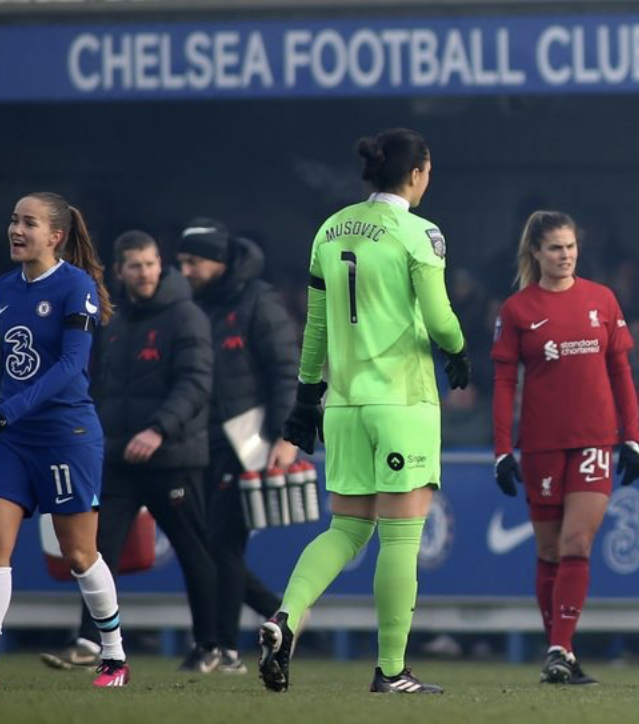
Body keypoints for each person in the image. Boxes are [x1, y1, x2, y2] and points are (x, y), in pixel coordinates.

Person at [260, 127, 469, 695]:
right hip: (401, 402)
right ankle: (392, 671)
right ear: (418, 173)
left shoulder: (330, 229)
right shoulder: (420, 233)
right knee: (400, 539)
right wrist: (458, 352)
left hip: (343, 404)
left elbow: (317, 329)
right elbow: (441, 314)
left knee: (346, 528)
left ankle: (285, 619)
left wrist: (306, 398)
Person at [47, 231, 221, 672]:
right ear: (120, 271)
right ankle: (91, 642)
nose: (144, 273)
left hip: (173, 459)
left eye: (150, 263)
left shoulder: (187, 316)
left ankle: (209, 645)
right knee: (95, 550)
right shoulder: (114, 320)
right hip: (118, 456)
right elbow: (99, 385)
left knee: (193, 551)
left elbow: (196, 384)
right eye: (135, 266)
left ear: (160, 264)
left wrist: (159, 431)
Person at [490, 210, 639, 685]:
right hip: (540, 445)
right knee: (550, 550)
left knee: (578, 542)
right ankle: (563, 653)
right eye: (556, 247)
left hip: (596, 439)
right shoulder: (517, 309)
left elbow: (620, 372)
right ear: (535, 252)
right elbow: (502, 383)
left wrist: (633, 436)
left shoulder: (602, 299)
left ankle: (558, 647)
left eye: (571, 246)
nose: (565, 255)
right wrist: (501, 449)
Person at [0, 192, 130, 687]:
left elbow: (72, 365)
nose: (16, 229)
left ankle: (114, 655)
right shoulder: (5, 290)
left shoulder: (77, 287)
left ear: (54, 236)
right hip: (12, 438)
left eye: (28, 223)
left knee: (79, 555)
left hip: (64, 435)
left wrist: (8, 409)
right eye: (13, 220)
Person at [177, 218, 298, 672]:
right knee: (207, 545)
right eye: (181, 261)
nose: (183, 270)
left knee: (222, 543)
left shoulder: (258, 303)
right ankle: (280, 612)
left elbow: (287, 372)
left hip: (245, 442)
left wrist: (286, 435)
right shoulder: (192, 305)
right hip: (196, 443)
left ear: (220, 261)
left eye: (193, 261)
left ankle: (224, 649)